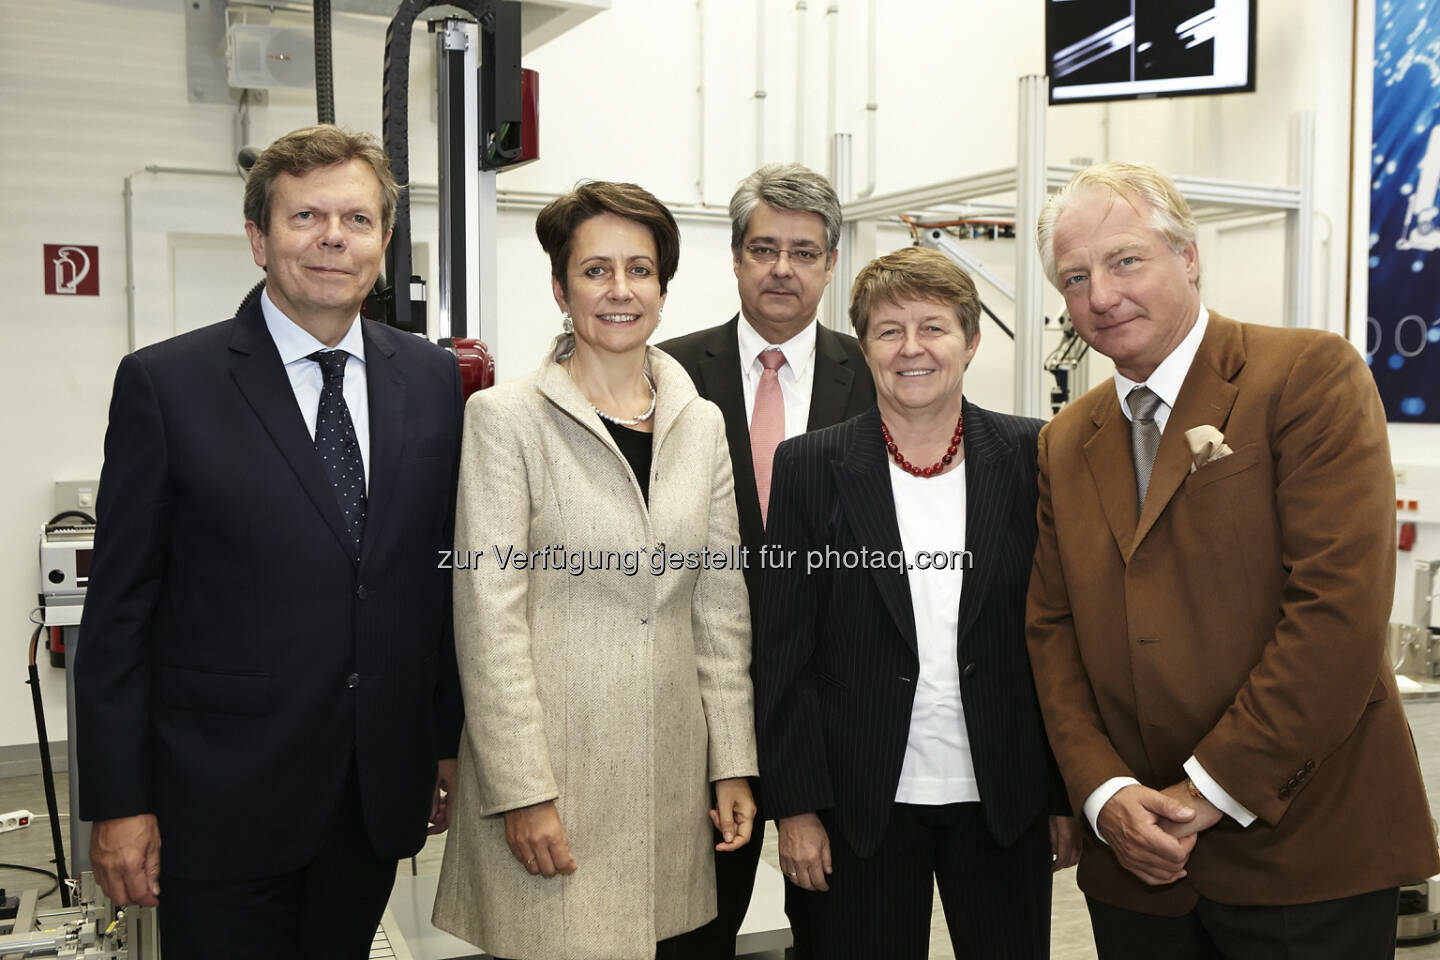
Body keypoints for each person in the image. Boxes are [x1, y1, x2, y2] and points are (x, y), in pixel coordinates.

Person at [1026, 160, 1439, 959]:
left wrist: (1204, 791)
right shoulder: (1066, 441)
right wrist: (1106, 795)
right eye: (1075, 278)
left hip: (1305, 855)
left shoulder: (1306, 377)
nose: (1100, 296)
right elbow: (1052, 632)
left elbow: (1336, 615)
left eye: (1125, 261)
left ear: (1188, 258)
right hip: (1137, 867)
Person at [75, 124, 464, 957]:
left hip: (369, 796)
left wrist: (442, 741)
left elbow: (431, 578)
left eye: (357, 221)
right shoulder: (167, 385)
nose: (333, 238)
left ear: (385, 244)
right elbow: (116, 618)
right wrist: (117, 801)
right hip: (217, 803)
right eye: (306, 217)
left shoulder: (430, 379)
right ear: (258, 238)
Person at [431, 181, 758, 960]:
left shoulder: (700, 421)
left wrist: (734, 764)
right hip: (555, 780)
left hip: (672, 782)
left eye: (640, 270)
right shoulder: (504, 419)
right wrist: (522, 790)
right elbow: (489, 615)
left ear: (663, 289)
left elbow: (719, 608)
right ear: (559, 288)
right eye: (596, 270)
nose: (620, 290)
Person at [754, 246, 1078, 960]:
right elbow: (781, 652)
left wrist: (1060, 795)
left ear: (971, 339)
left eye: (933, 327)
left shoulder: (1033, 456)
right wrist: (796, 807)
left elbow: (1059, 639)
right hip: (858, 804)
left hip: (1003, 798)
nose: (911, 349)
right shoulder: (811, 468)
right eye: (888, 330)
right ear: (864, 345)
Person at [657, 162, 874, 958]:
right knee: (693, 932)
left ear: (830, 262)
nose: (783, 268)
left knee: (844, 932)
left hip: (837, 709)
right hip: (704, 708)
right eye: (765, 248)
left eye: (805, 252)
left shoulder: (881, 376)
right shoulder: (667, 372)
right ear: (738, 257)